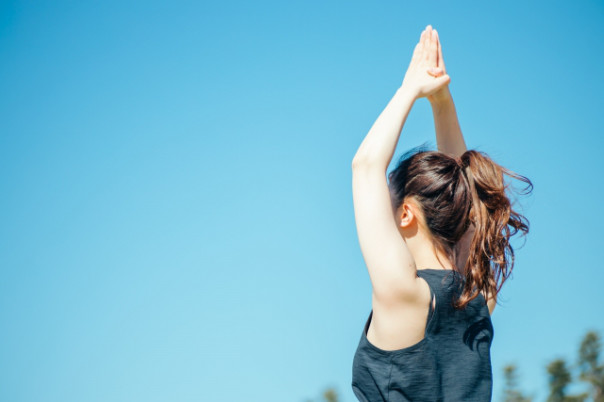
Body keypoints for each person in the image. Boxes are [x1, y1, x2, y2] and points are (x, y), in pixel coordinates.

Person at [350, 25, 532, 401]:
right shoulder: (479, 296)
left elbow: (366, 166)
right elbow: (465, 194)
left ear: (405, 214)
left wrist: (410, 90)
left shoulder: (404, 295)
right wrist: (440, 100)